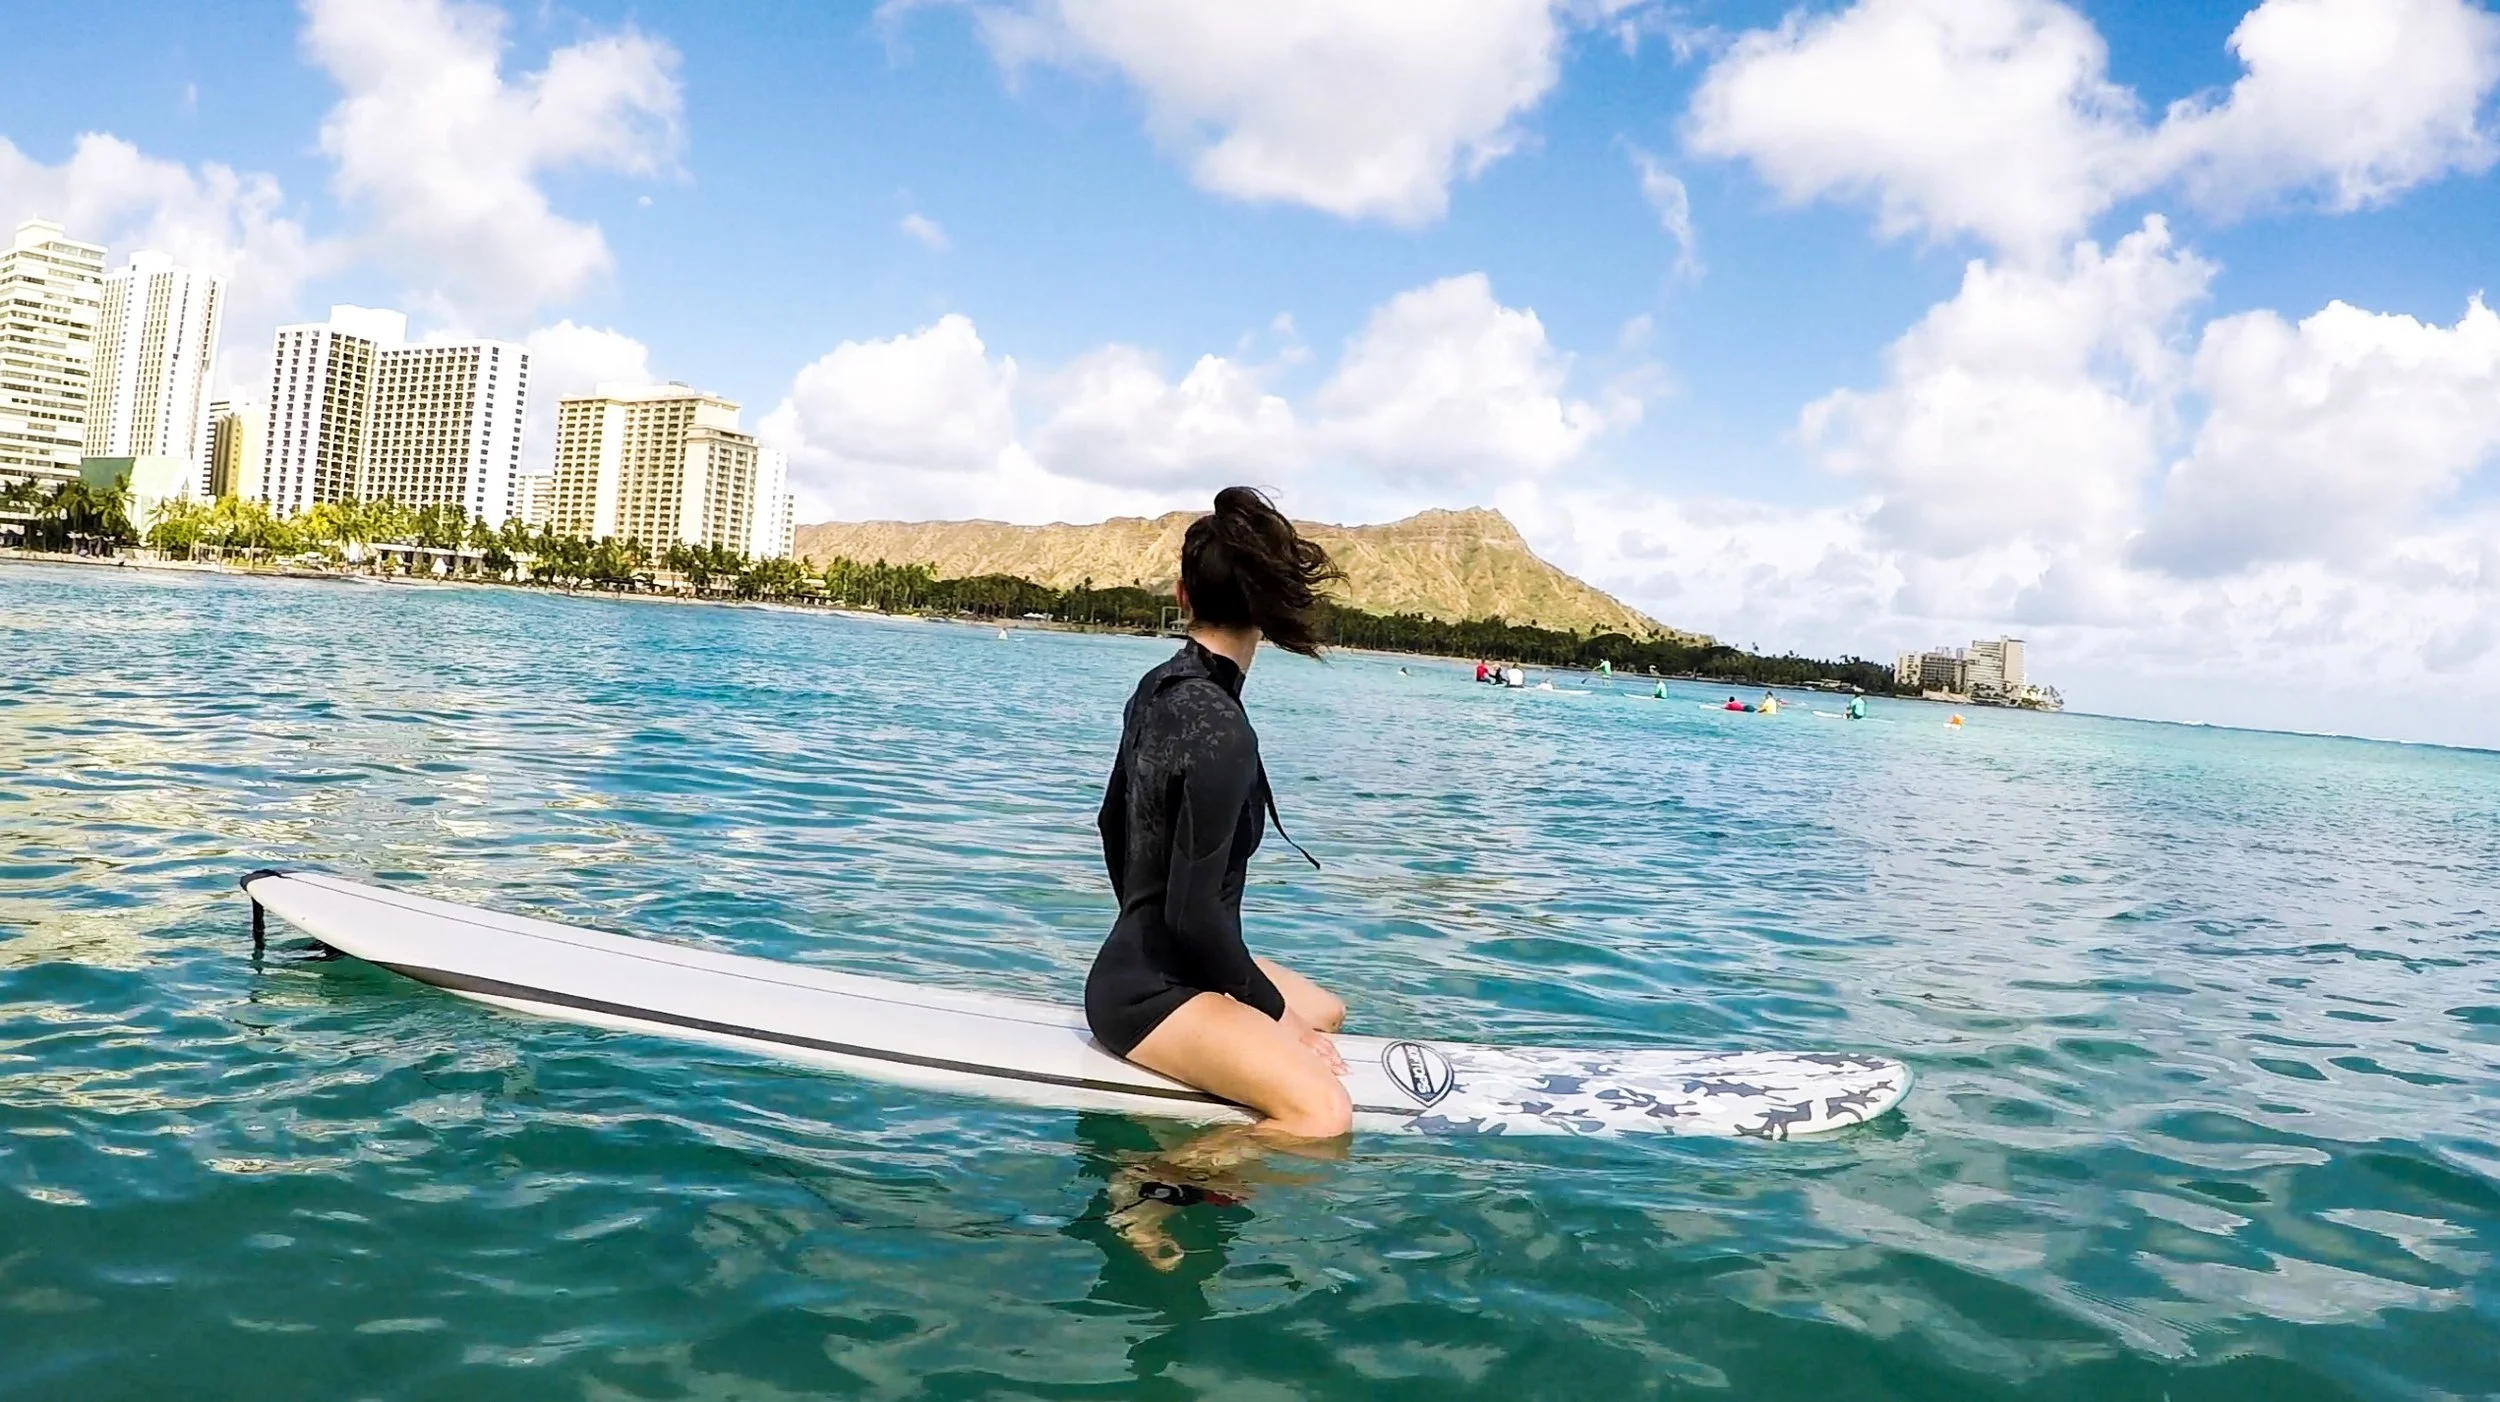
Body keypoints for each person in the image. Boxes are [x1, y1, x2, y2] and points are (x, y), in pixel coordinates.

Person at [1088, 486, 1353, 1146]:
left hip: (1148, 957)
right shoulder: (1222, 728)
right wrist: (1266, 1015)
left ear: (1184, 597)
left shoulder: (1156, 686)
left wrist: (1155, 937)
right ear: (1262, 612)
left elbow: (1109, 826)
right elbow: (1195, 915)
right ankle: (1156, 1188)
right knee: (1323, 1116)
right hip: (1150, 994)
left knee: (1327, 1011)